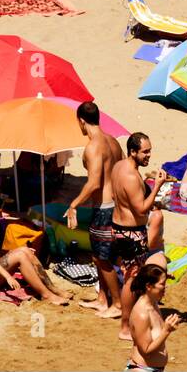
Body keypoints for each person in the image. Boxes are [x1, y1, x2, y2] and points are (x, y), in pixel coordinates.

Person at [65, 102, 125, 317]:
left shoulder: (93, 146)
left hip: (104, 208)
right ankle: (102, 299)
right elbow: (122, 171)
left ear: (81, 121)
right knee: (101, 255)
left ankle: (117, 304)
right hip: (116, 205)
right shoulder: (113, 142)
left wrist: (73, 204)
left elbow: (94, 183)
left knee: (102, 258)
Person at [109, 131, 166, 340]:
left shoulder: (119, 167)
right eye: (145, 152)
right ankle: (125, 327)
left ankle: (130, 320)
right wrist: (157, 186)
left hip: (119, 227)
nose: (149, 155)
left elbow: (119, 194)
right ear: (133, 151)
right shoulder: (131, 175)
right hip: (130, 233)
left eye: (150, 151)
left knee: (130, 276)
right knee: (132, 279)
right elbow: (141, 209)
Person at [0, 194, 73, 304]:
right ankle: (46, 295)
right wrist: (8, 277)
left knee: (24, 250)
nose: (1, 215)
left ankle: (52, 288)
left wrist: (19, 250)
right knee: (20, 255)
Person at [125, 263, 179, 371]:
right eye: (162, 284)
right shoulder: (142, 314)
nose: (165, 287)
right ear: (149, 286)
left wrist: (164, 276)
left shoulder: (152, 303)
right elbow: (146, 350)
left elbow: (146, 274)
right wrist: (166, 331)